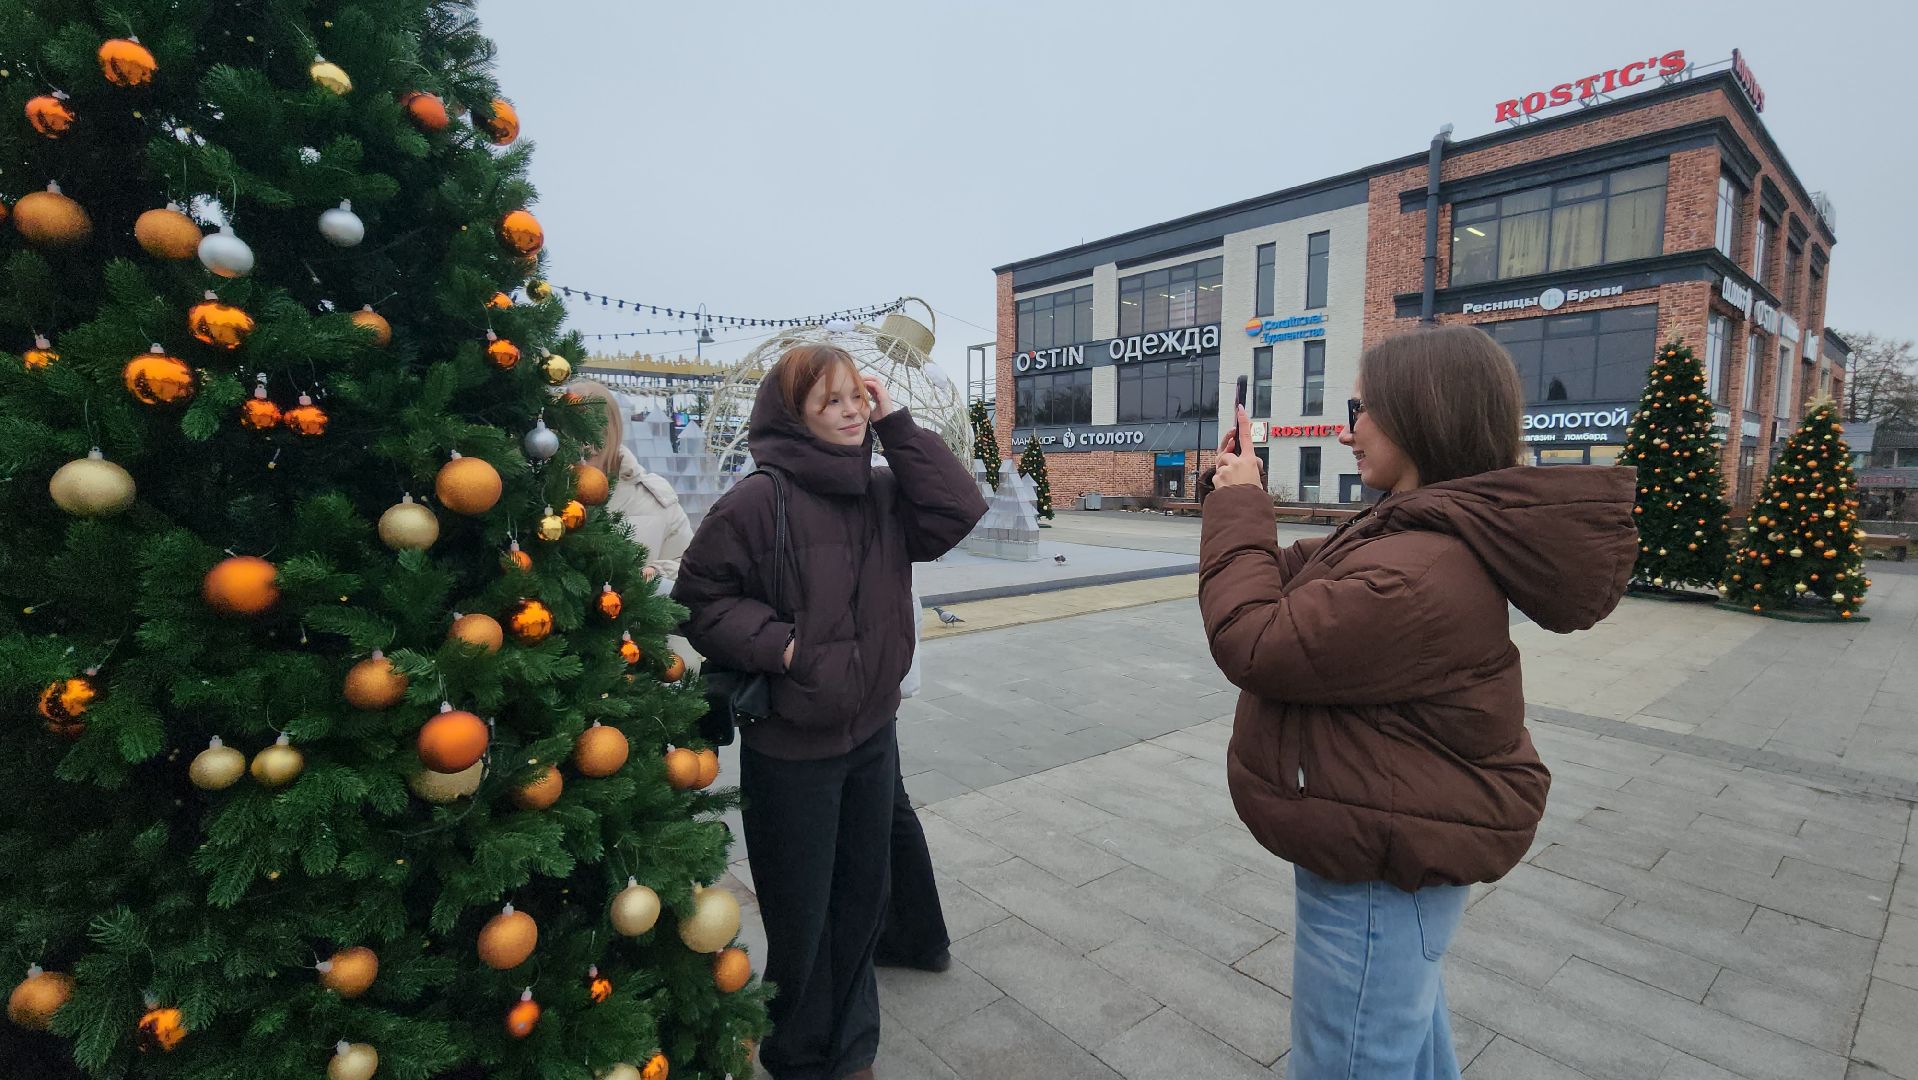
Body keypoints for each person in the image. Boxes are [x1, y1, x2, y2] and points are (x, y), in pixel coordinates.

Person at [1197, 325, 1635, 1079]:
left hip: (1379, 868)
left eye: (1363, 407)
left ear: (1422, 413)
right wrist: (1243, 498)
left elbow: (1257, 640)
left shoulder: (1418, 567)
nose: (1348, 428)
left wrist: (1243, 509)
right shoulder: (1409, 529)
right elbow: (1287, 577)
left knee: (1353, 1063)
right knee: (1405, 1050)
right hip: (1385, 837)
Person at [673, 343, 986, 1080]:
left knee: (862, 899)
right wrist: (783, 648)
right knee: (803, 911)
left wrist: (900, 422)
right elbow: (698, 601)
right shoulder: (758, 499)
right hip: (793, 748)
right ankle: (800, 1050)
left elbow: (957, 511)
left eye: (857, 398)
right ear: (796, 416)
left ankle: (852, 1050)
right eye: (831, 401)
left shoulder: (882, 490)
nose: (851, 413)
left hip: (873, 731)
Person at [874, 585, 952, 973]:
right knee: (890, 807)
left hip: (867, 668)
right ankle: (920, 937)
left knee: (890, 807)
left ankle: (921, 938)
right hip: (874, 662)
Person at [568, 380, 695, 586]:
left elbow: (691, 566)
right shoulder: (538, 495)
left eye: (592, 432)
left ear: (612, 431)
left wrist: (656, 574)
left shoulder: (653, 499)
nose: (582, 448)